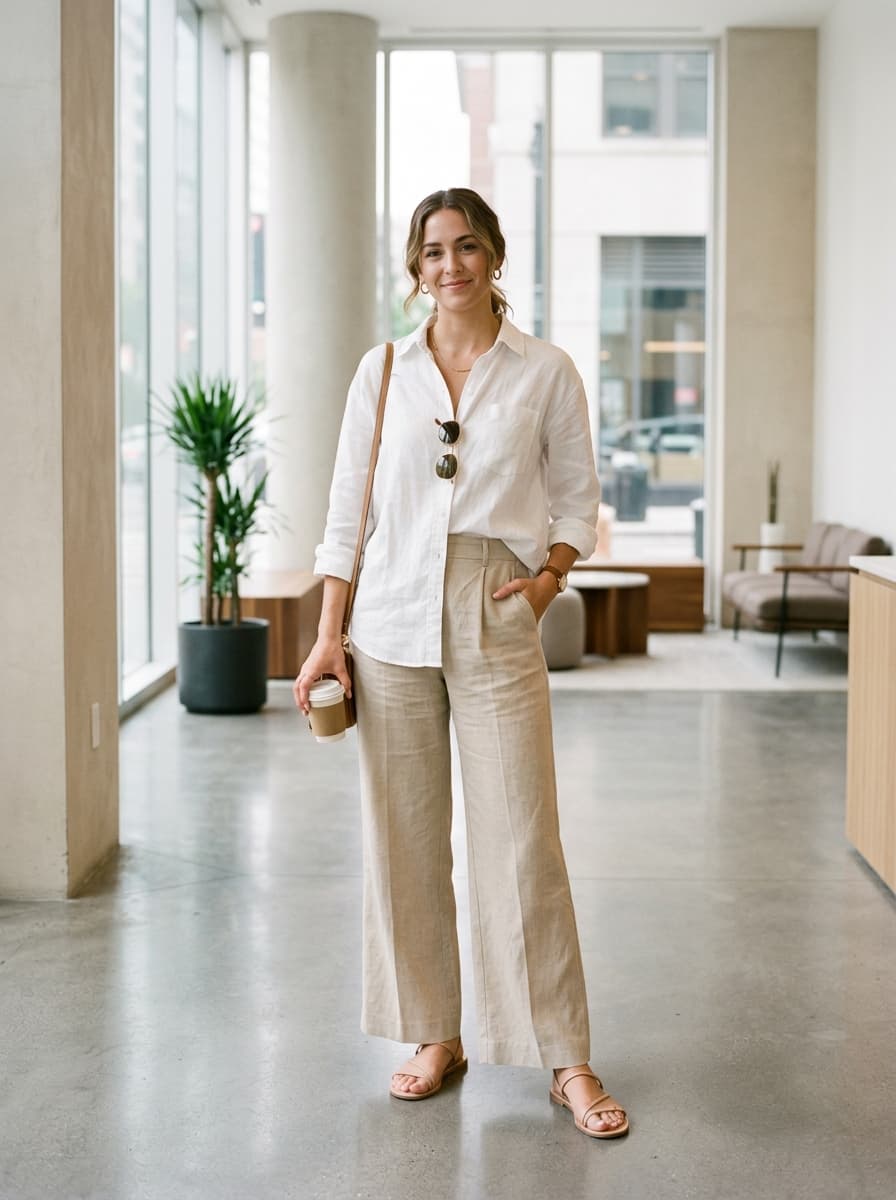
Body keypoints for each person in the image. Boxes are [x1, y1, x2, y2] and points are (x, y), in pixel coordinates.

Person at [295, 187, 629, 1140]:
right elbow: (344, 511)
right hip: (390, 611)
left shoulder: (545, 371)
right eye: (434, 251)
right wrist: (329, 631)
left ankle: (565, 1055)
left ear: (495, 257)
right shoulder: (384, 370)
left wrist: (546, 583)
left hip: (493, 601)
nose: (452, 266)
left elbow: (576, 499)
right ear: (415, 268)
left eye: (468, 247)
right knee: (402, 839)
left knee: (524, 840)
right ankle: (432, 1034)